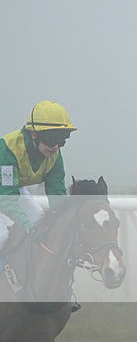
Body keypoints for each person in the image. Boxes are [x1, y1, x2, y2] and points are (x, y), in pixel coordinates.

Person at [0, 100, 80, 311]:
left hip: (13, 190)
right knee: (2, 236)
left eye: (62, 140)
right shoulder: (8, 149)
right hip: (5, 192)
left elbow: (57, 194)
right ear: (33, 134)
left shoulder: (54, 155)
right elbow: (6, 197)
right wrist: (27, 227)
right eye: (51, 139)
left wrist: (64, 222)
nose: (55, 147)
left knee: (45, 228)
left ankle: (55, 291)